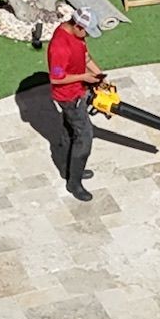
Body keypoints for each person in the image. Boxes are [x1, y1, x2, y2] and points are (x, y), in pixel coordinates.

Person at [46, 12, 104, 202]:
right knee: (84, 136)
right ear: (78, 26)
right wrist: (83, 77)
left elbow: (85, 57)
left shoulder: (76, 35)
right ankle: (74, 183)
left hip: (78, 90)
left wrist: (100, 76)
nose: (87, 36)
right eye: (86, 32)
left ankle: (68, 170)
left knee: (69, 131)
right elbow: (56, 77)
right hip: (69, 97)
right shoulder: (60, 47)